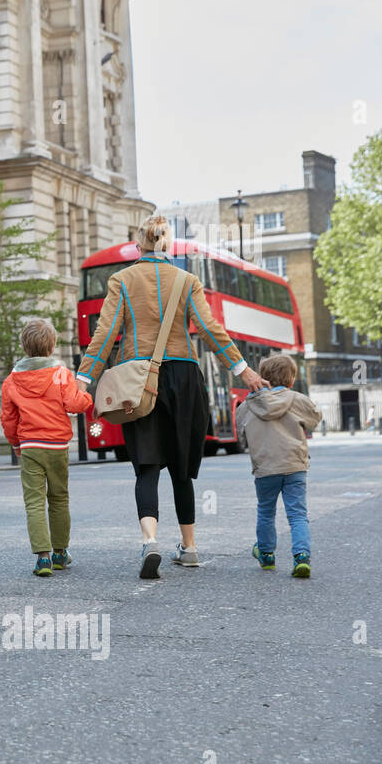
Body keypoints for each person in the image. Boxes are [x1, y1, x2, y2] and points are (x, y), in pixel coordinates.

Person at [76, 216, 268, 579]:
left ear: (138, 245)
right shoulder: (187, 281)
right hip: (183, 376)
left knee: (146, 466)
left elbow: (105, 335)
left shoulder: (121, 280)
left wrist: (83, 380)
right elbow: (211, 330)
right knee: (182, 468)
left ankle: (150, 541)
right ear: (166, 245)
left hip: (138, 378)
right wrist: (244, 370)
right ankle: (190, 547)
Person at [1, 318, 94, 577]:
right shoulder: (61, 374)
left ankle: (43, 558)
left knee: (34, 502)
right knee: (59, 499)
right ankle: (60, 553)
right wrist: (87, 396)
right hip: (57, 446)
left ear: (24, 346)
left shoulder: (11, 381)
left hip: (30, 446)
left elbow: (9, 419)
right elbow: (75, 404)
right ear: (52, 346)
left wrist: (16, 445)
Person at [237, 354, 322, 578]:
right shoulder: (297, 399)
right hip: (295, 465)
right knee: (297, 514)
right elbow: (315, 418)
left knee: (266, 511)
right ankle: (301, 557)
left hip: (265, 468)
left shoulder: (247, 405)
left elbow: (241, 435)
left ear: (262, 377)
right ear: (291, 380)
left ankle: (266, 554)